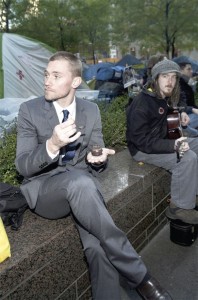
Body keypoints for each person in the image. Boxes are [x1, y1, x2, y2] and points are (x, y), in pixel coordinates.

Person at [15, 51, 172, 300]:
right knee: (80, 182)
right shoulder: (29, 110)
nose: (47, 80)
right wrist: (52, 145)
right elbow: (23, 166)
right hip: (46, 191)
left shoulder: (90, 110)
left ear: (75, 82)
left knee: (97, 246)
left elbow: (96, 153)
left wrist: (97, 160)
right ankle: (142, 277)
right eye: (46, 74)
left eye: (56, 76)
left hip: (83, 189)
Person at [126, 58, 198, 225]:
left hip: (165, 139)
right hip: (142, 149)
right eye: (165, 76)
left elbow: (178, 102)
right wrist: (174, 145)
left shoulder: (165, 94)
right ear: (156, 78)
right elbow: (141, 141)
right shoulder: (141, 104)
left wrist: (180, 112)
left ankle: (192, 194)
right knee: (188, 158)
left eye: (173, 77)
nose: (170, 81)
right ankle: (178, 207)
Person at [177, 60, 198, 137]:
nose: (191, 71)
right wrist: (192, 109)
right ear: (181, 71)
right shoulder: (179, 84)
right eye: (188, 69)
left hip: (186, 113)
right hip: (183, 116)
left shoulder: (186, 83)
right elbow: (179, 105)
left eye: (191, 69)